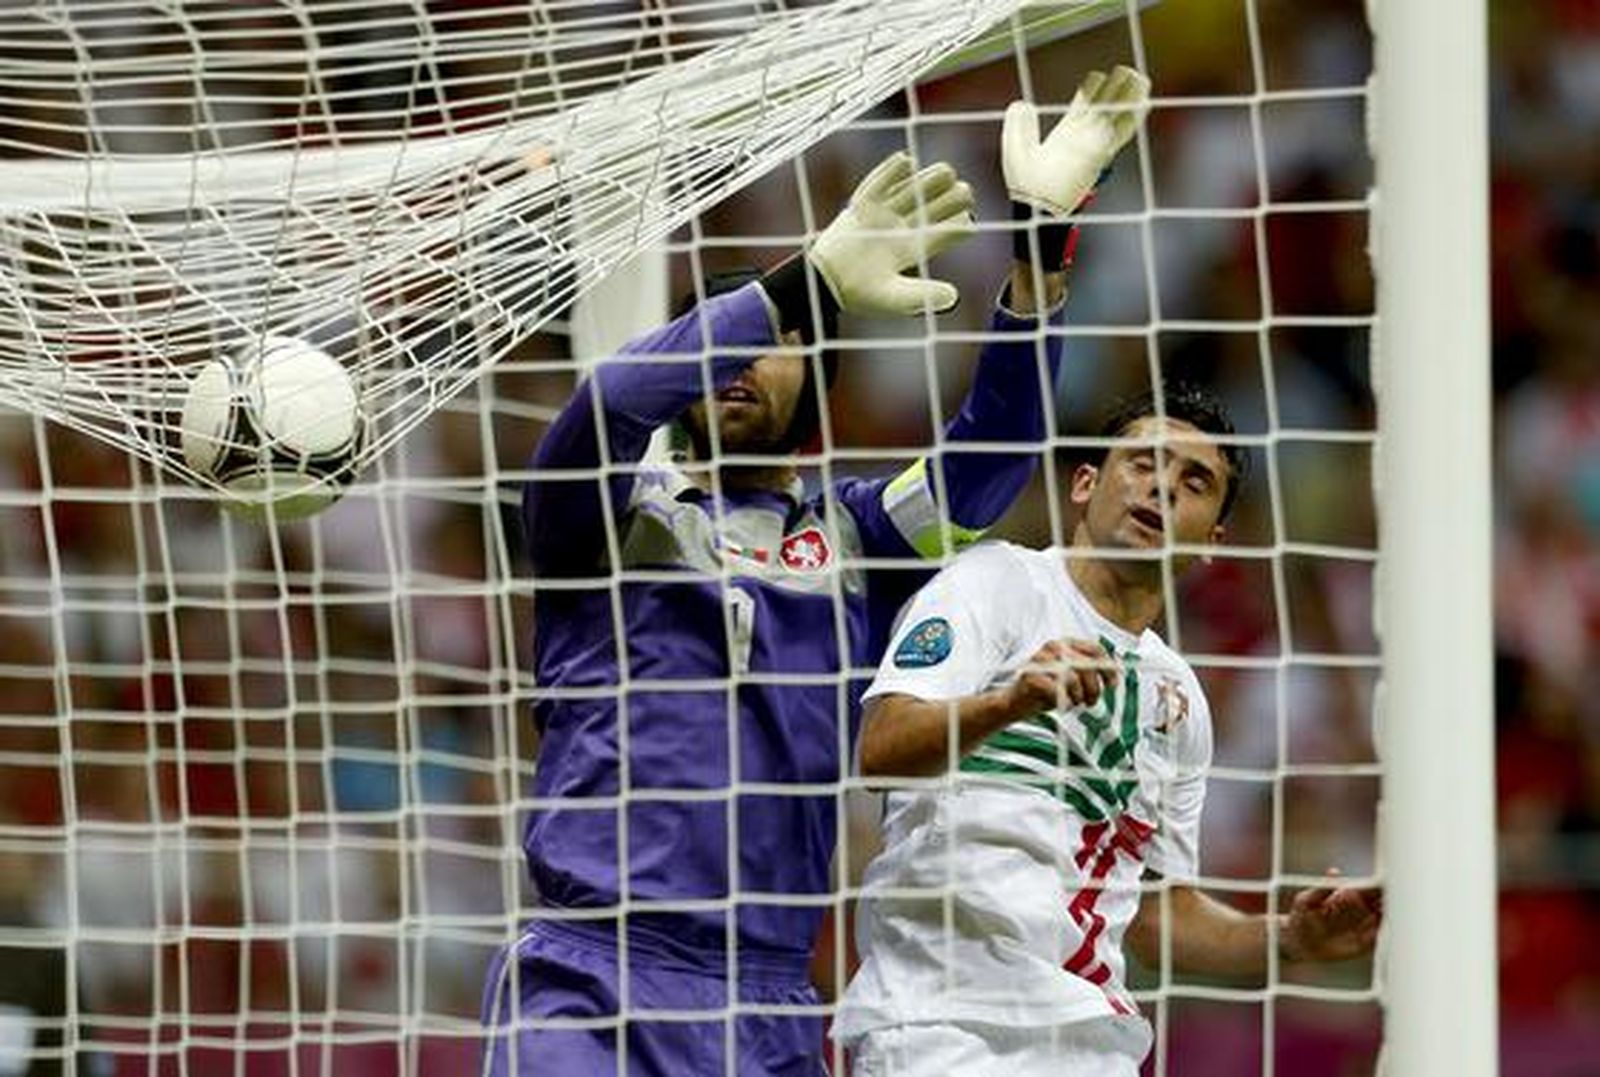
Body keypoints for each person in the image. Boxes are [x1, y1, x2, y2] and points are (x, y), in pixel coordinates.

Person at [480, 68, 1152, 1077]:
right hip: (593, 979)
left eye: (779, 343)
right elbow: (613, 394)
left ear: (823, 378)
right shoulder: (603, 516)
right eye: (721, 339)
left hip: (768, 1000)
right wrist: (806, 283)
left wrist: (1038, 247)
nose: (743, 362)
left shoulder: (858, 535)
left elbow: (992, 458)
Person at [835, 385, 1383, 1076]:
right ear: (1085, 483)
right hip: (942, 1022)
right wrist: (1007, 704)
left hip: (1092, 1042)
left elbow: (1155, 916)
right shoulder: (995, 582)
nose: (1162, 487)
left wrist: (1290, 938)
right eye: (1143, 462)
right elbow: (881, 748)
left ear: (1214, 539)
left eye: (1195, 480)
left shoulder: (1179, 698)